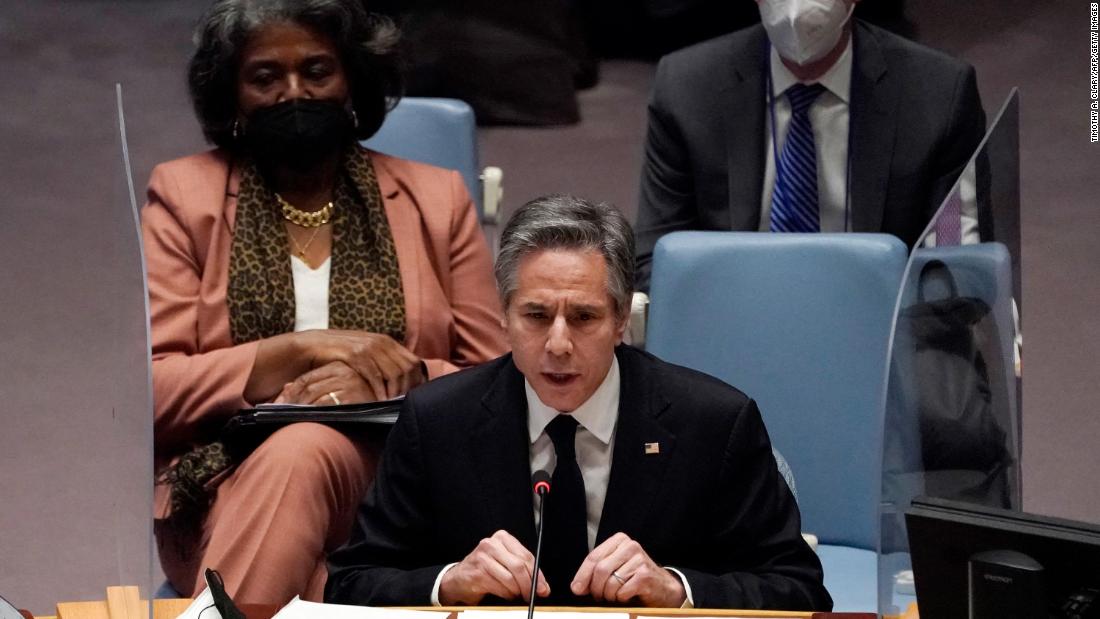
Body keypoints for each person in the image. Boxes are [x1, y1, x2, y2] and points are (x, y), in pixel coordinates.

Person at [142, 0, 506, 605]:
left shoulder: (435, 198)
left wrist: (401, 377)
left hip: (400, 489)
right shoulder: (186, 196)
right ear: (231, 95)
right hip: (225, 487)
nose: (294, 92)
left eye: (316, 71)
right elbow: (152, 393)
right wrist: (300, 352)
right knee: (303, 456)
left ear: (353, 81)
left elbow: (497, 389)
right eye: (265, 77)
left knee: (306, 457)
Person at [325, 194, 832, 610]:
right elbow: (350, 581)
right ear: (504, 316)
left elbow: (799, 588)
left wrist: (676, 590)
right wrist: (448, 582)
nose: (559, 344)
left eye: (584, 318)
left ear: (622, 320)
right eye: (536, 316)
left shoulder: (713, 422)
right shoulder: (437, 420)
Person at [634, 0, 986, 290]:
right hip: (733, 314)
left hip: (879, 321)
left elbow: (954, 264)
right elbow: (656, 259)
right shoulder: (687, 89)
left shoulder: (940, 96)